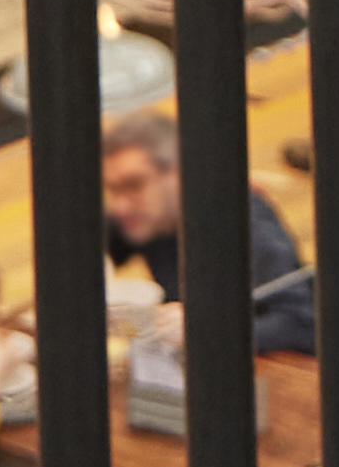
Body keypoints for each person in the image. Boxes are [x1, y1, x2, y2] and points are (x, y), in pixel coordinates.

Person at [101, 106, 319, 361]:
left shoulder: (246, 226)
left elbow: (302, 326)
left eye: (133, 186)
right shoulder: (151, 213)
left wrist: (206, 331)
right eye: (114, 189)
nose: (121, 205)